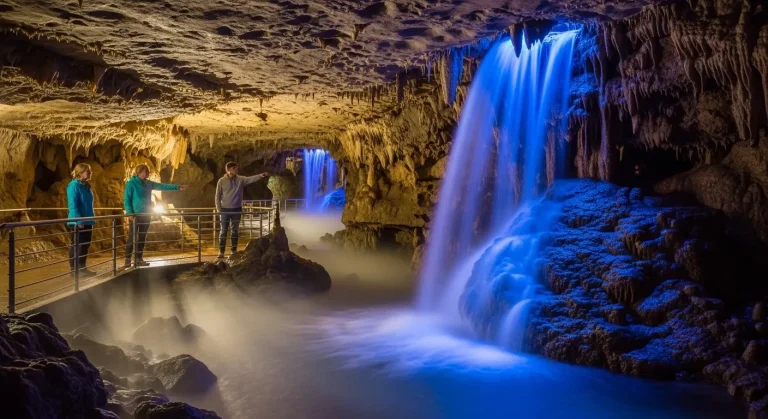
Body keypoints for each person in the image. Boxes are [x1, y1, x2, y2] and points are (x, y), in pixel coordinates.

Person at [123, 164, 187, 267]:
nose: (147, 173)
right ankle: (127, 260)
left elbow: (162, 186)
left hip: (146, 214)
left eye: (148, 171)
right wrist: (130, 213)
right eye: (146, 171)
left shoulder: (148, 184)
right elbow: (127, 199)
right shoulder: (131, 184)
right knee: (132, 237)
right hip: (135, 215)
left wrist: (177, 187)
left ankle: (139, 258)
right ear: (139, 172)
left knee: (142, 237)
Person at [215, 162, 268, 258]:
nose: (236, 170)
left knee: (234, 231)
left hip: (236, 209)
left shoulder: (241, 179)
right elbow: (217, 196)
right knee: (223, 231)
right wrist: (219, 209)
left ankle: (233, 251)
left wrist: (261, 176)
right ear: (228, 170)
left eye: (236, 168)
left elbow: (251, 179)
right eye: (234, 168)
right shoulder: (221, 181)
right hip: (225, 210)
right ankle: (221, 251)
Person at [67, 163, 96, 278]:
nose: (90, 173)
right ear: (80, 172)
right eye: (87, 171)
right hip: (77, 221)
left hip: (87, 220)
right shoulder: (74, 186)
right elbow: (73, 205)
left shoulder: (86, 186)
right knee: (77, 245)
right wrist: (78, 220)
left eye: (90, 171)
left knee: (85, 245)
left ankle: (82, 267)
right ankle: (74, 269)